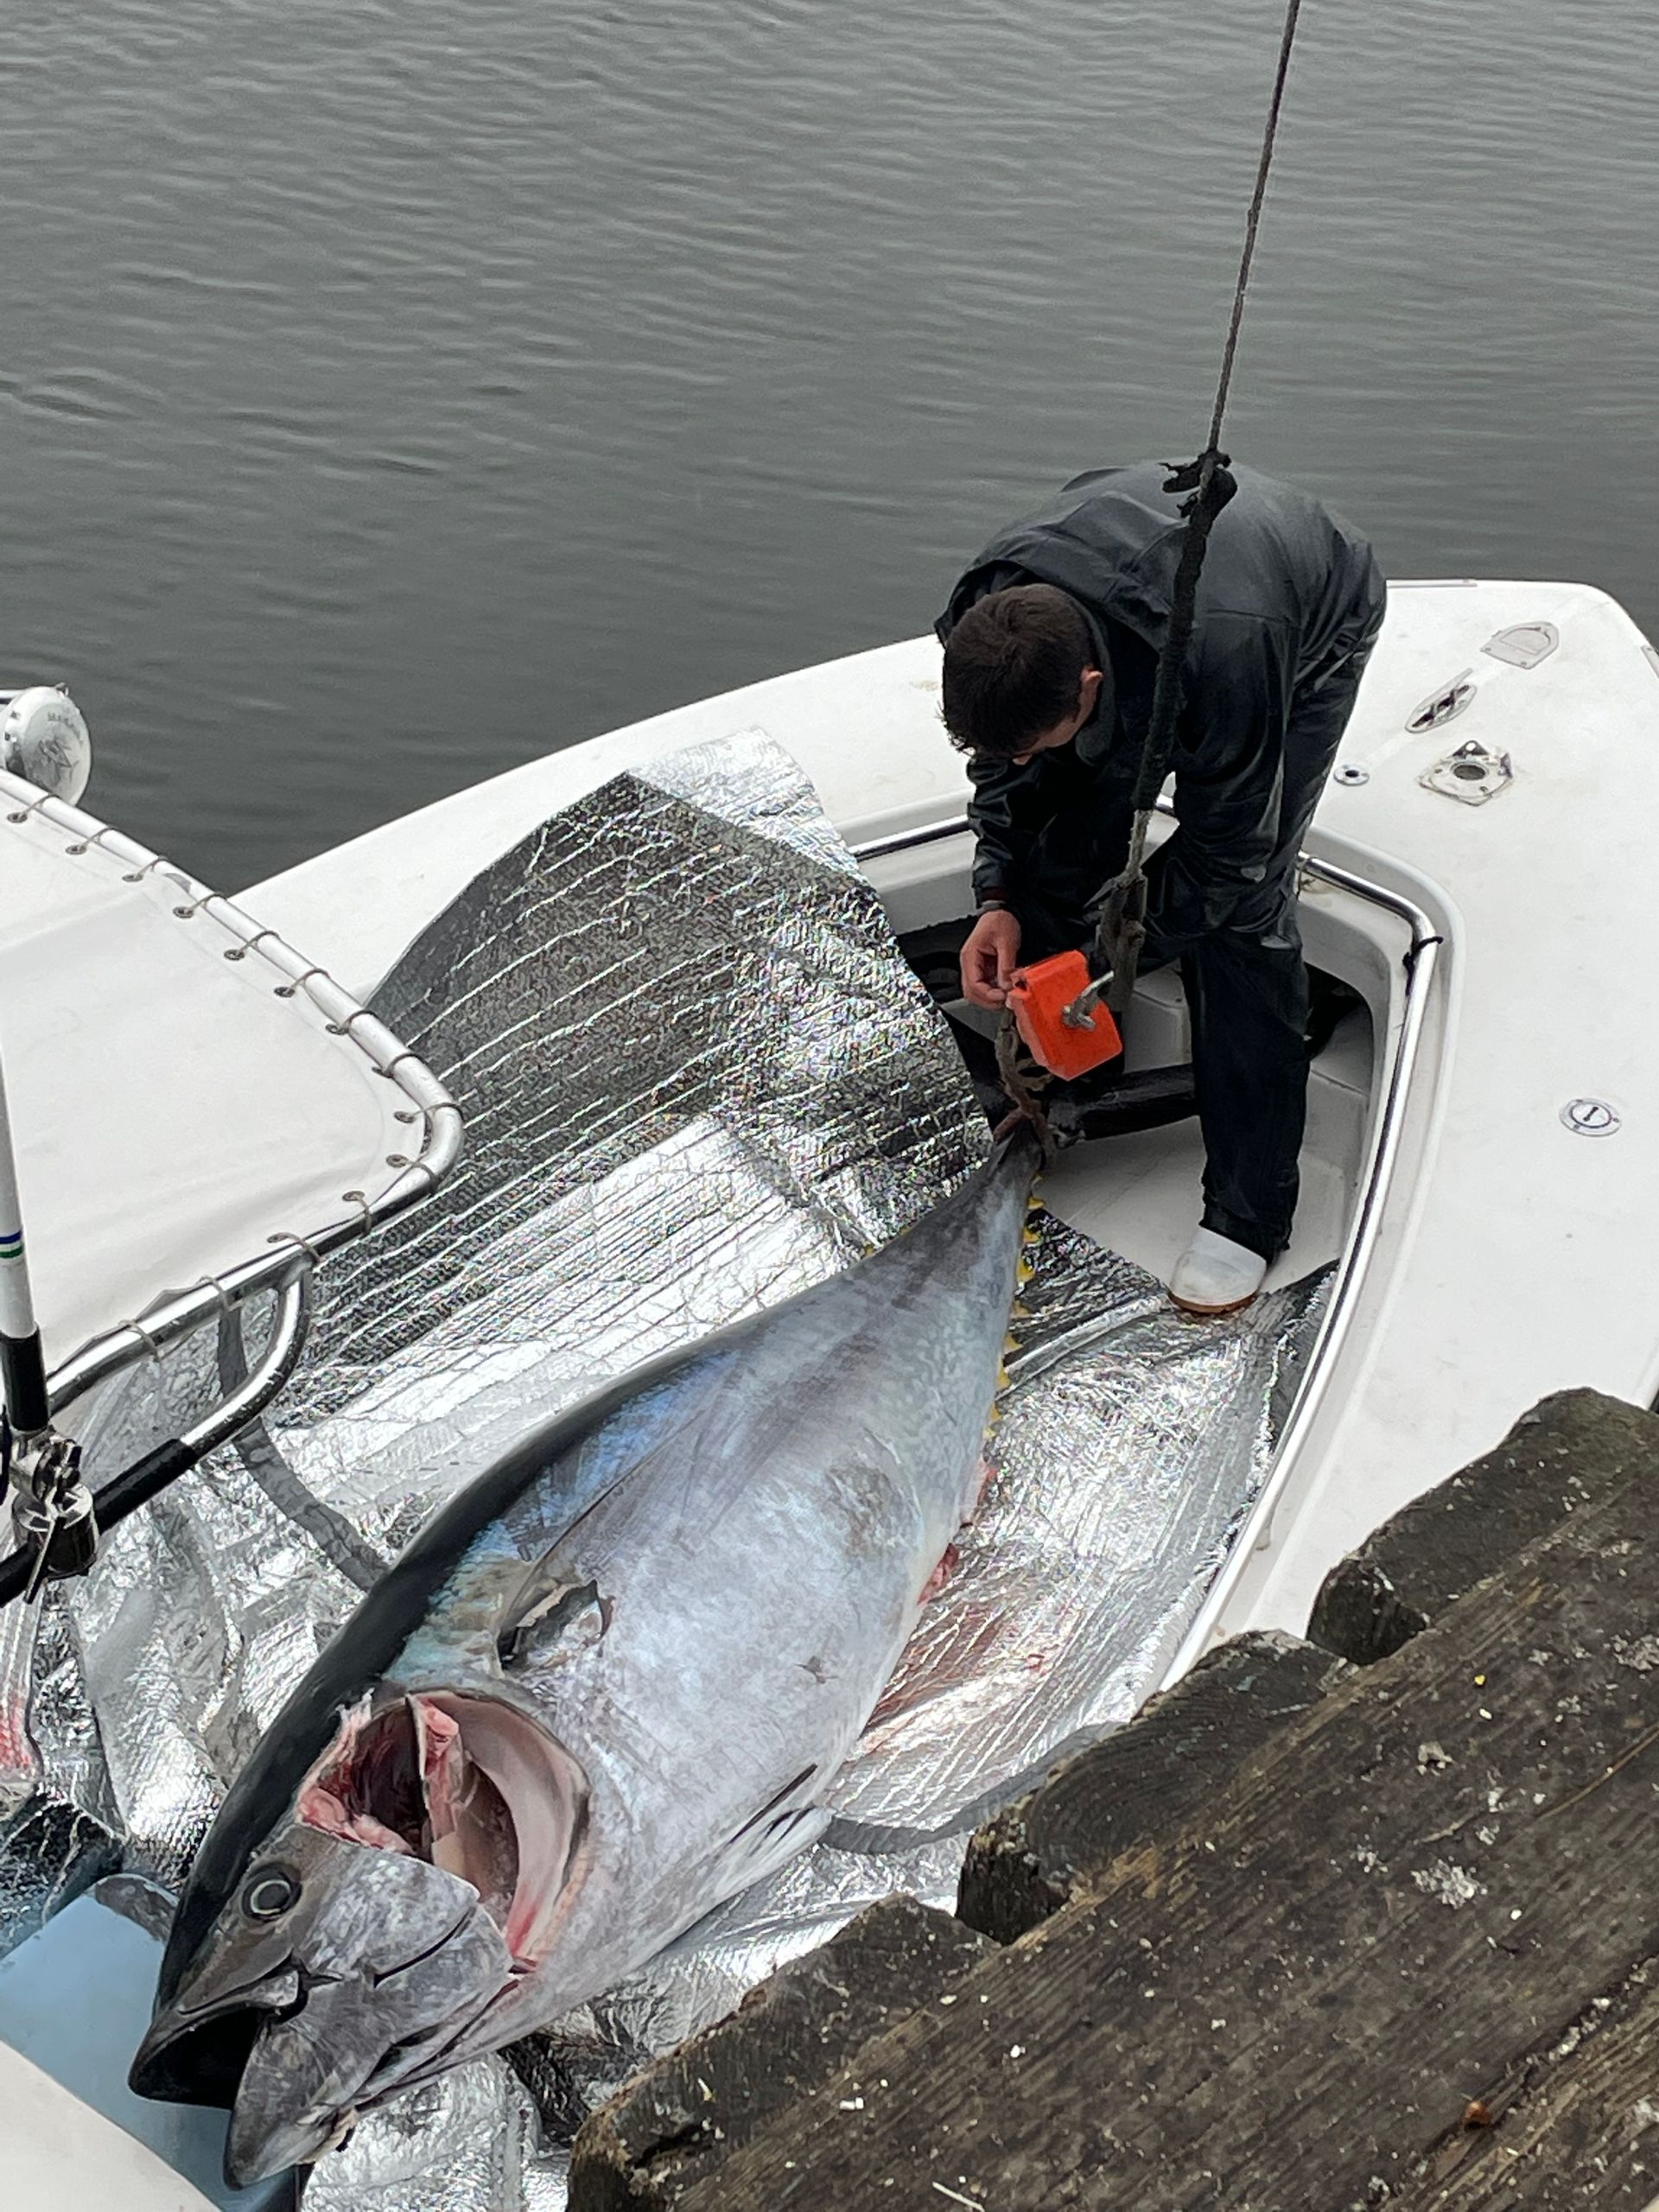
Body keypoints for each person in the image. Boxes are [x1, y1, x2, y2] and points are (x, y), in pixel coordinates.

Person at [937, 460, 1386, 1315]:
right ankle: (1067, 1069)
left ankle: (1250, 1215)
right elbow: (1006, 772)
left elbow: (1227, 856)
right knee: (1062, 825)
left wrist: (1101, 957)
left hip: (1303, 613)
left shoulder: (1234, 649)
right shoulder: (982, 615)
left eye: (1038, 739)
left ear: (1090, 689)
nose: (1019, 759)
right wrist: (998, 893)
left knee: (1246, 909)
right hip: (1123, 575)